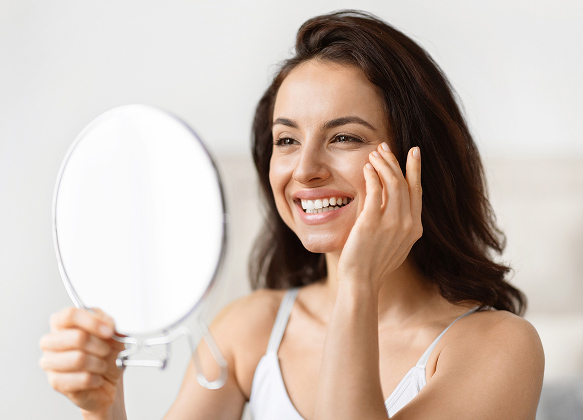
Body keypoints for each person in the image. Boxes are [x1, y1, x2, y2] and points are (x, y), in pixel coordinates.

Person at [40, 10, 544, 420]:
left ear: (418, 162)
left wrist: (358, 284)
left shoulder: (497, 348)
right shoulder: (249, 330)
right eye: (286, 140)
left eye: (344, 137)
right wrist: (103, 410)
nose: (304, 170)